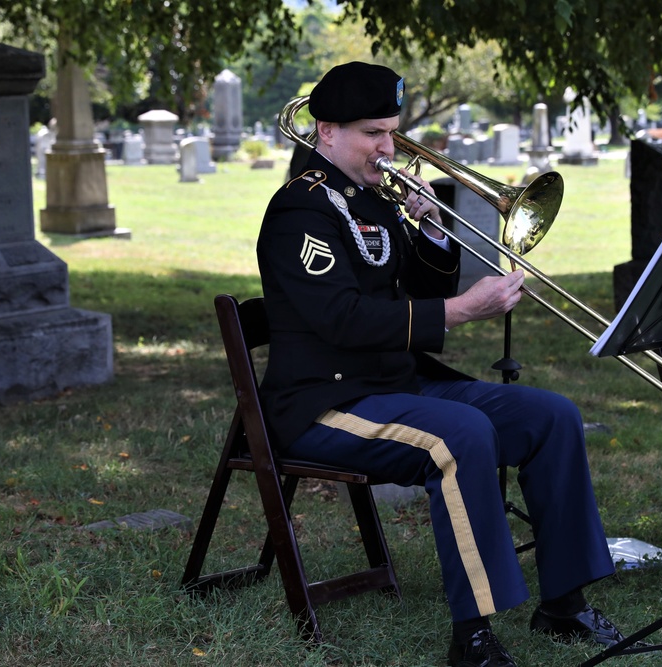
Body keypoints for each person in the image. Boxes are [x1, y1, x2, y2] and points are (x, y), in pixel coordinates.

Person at [256, 61, 623, 667]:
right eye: (373, 133)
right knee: (462, 435)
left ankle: (565, 602)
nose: (389, 147)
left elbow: (413, 285)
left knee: (551, 416)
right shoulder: (301, 210)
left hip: (396, 382)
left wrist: (429, 232)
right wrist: (459, 311)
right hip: (325, 401)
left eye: (392, 131)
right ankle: (473, 638)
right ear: (325, 131)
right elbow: (342, 319)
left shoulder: (369, 199)